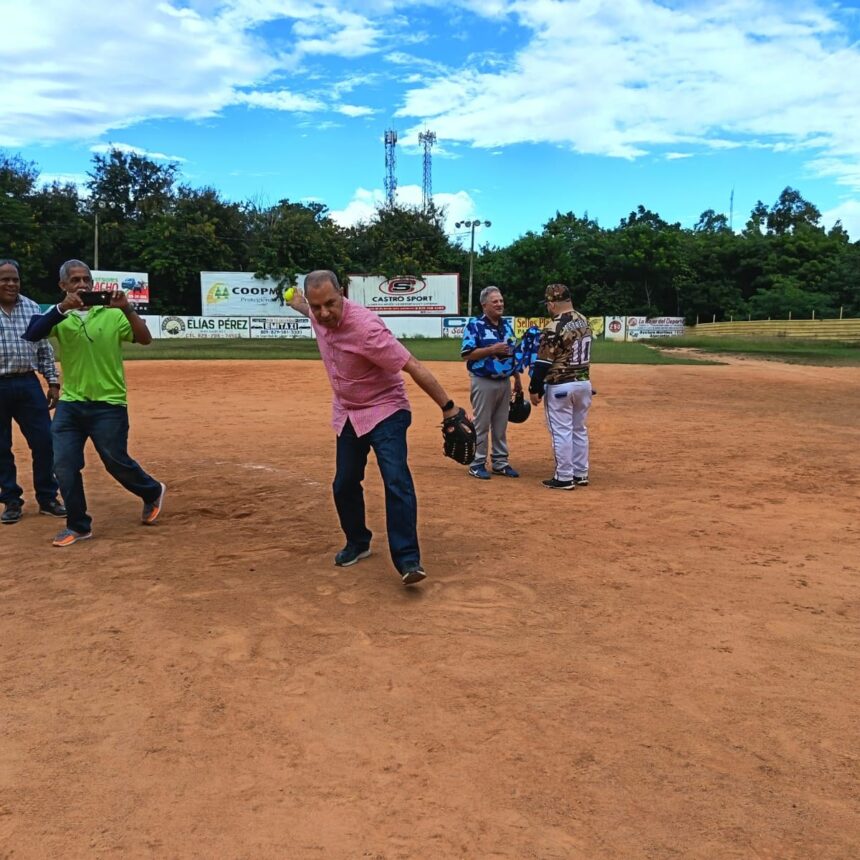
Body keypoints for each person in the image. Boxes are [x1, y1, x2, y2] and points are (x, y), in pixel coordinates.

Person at [287, 270, 466, 586]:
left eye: (330, 303)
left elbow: (413, 366)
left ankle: (408, 558)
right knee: (343, 483)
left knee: (395, 479)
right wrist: (296, 301)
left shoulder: (367, 330)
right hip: (349, 412)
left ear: (342, 292)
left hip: (386, 409)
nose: (324, 313)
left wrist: (449, 408)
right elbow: (304, 306)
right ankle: (358, 542)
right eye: (317, 307)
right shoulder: (316, 312)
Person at [22, 259, 165, 546]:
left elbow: (145, 339)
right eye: (74, 280)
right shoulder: (60, 316)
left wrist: (126, 307)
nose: (83, 285)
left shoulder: (111, 314)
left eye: (86, 279)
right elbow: (32, 334)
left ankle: (151, 491)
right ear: (63, 286)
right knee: (63, 464)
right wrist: (63, 308)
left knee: (115, 461)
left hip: (108, 404)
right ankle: (78, 525)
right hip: (71, 404)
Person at [0, 258, 66, 524]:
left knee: (44, 441)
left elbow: (43, 349)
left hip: (28, 383)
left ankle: (47, 497)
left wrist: (52, 381)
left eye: (15, 279)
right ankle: (11, 500)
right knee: (0, 447)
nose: (11, 283)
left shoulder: (31, 307)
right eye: (5, 279)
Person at [529, 284, 593, 490]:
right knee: (578, 429)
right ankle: (580, 472)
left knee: (561, 431)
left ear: (552, 303)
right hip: (583, 383)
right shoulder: (585, 321)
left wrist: (534, 388)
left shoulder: (554, 326)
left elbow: (543, 363)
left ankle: (564, 476)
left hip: (561, 384)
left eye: (548, 303)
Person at [460, 286, 522, 480]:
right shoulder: (475, 326)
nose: (500, 304)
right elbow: (467, 354)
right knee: (482, 423)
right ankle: (477, 463)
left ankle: (500, 462)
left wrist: (517, 379)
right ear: (484, 304)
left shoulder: (507, 326)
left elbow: (512, 353)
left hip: (504, 382)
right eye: (495, 301)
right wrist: (491, 349)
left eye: (501, 301)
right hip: (483, 381)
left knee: (501, 424)